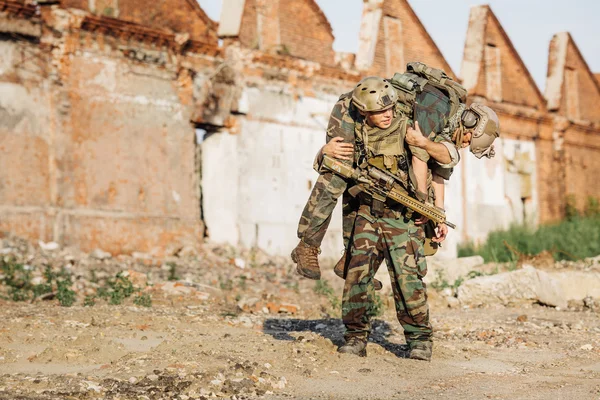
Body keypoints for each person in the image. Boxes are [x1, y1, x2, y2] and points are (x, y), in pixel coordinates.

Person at [292, 73, 500, 283]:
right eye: (467, 141)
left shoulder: (451, 129)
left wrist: (438, 214)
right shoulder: (437, 107)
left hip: (383, 128)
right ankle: (307, 246)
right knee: (339, 172)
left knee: (375, 187)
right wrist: (422, 204)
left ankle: (353, 262)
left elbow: (438, 173)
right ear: (470, 123)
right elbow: (419, 157)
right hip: (358, 110)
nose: (464, 145)